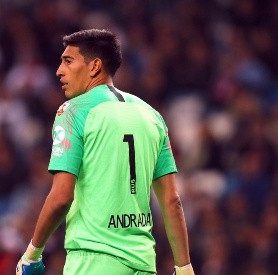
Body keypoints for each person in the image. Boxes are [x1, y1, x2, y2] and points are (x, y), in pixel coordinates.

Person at [16, 29, 194, 275]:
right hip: (143, 263)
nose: (59, 70)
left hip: (93, 263)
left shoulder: (72, 112)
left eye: (68, 61)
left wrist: (32, 254)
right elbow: (171, 201)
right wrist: (184, 267)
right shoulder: (152, 116)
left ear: (94, 66)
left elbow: (61, 197)